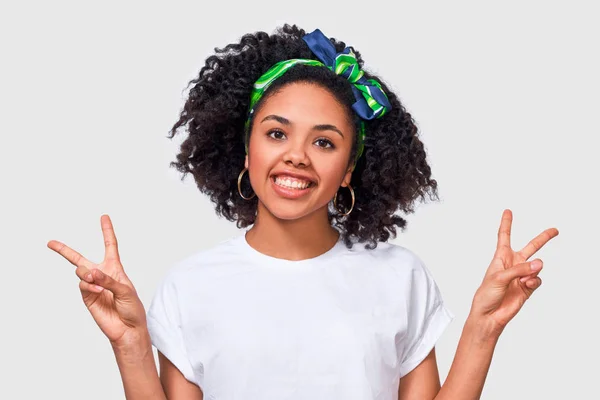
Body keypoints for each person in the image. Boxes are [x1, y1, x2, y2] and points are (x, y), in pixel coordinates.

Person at [47, 24, 558, 400]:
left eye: (324, 141)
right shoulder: (189, 285)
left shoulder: (401, 276)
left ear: (350, 169)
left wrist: (482, 329)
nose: (296, 154)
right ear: (245, 151)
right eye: (276, 133)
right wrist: (131, 344)